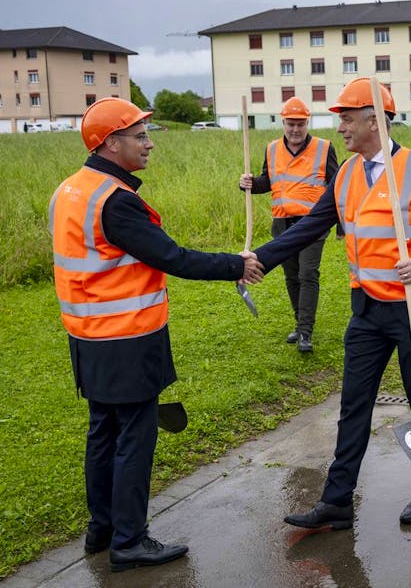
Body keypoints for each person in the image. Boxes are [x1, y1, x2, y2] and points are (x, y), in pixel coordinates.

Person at [48, 98, 263, 572]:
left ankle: (101, 530)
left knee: (103, 432)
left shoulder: (70, 189)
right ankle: (130, 541)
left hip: (87, 336)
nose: (148, 144)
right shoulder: (116, 201)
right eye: (139, 136)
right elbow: (172, 256)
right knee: (134, 438)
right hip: (126, 337)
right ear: (110, 143)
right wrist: (236, 265)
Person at [253, 78, 411, 528]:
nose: (340, 127)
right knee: (353, 404)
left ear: (374, 120)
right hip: (367, 310)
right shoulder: (345, 174)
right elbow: (309, 227)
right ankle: (338, 500)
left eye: (346, 118)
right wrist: (258, 260)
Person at [239, 96, 339, 352]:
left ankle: (306, 332)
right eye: (290, 124)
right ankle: (299, 323)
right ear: (283, 123)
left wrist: (340, 223)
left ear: (307, 123)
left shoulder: (324, 148)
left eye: (300, 124)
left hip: (312, 225)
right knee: (291, 276)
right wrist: (249, 184)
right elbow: (267, 182)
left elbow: (339, 187)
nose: (295, 129)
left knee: (308, 274)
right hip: (282, 224)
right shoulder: (272, 149)